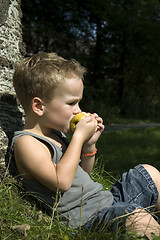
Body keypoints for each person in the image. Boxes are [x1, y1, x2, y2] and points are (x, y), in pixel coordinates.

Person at [8, 52, 160, 239]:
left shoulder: (56, 134)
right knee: (137, 219)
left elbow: (81, 177)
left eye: (78, 102)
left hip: (108, 203)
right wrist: (78, 138)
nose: (78, 110)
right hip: (87, 220)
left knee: (148, 172)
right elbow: (61, 182)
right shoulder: (27, 143)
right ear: (39, 106)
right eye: (72, 103)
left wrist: (88, 146)